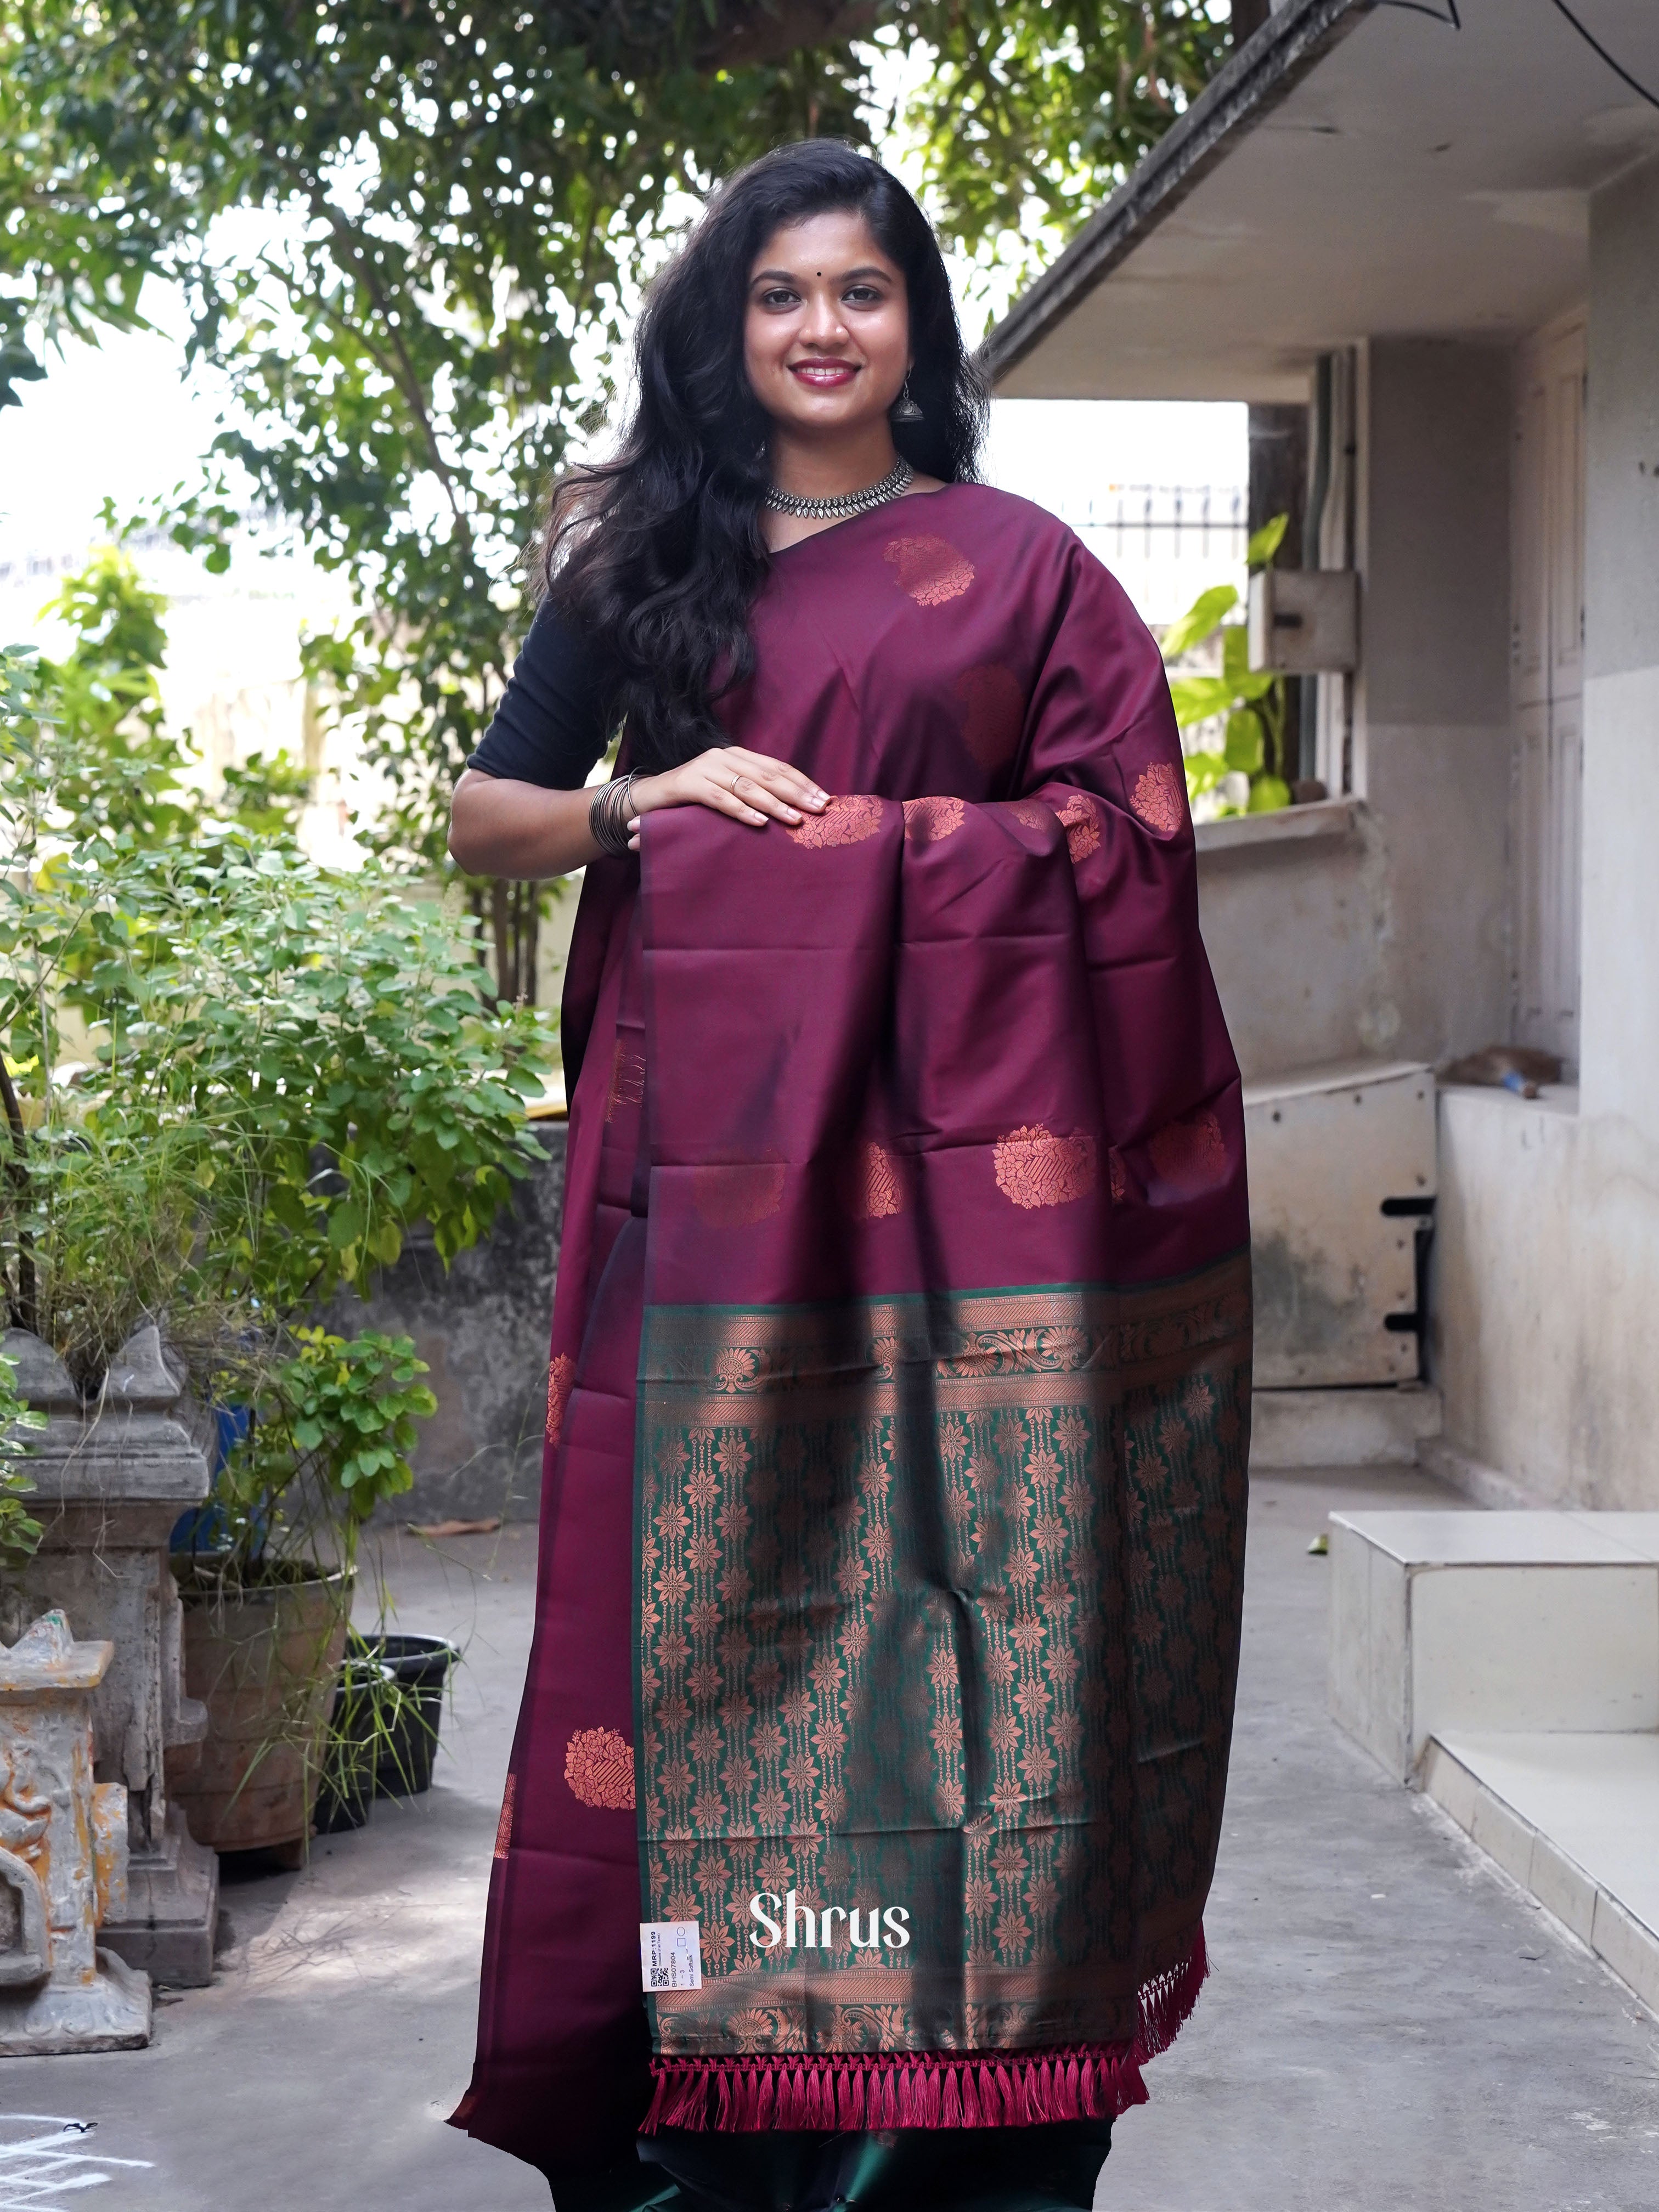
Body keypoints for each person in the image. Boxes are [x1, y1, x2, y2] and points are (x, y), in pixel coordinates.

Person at [448, 139, 1251, 2212]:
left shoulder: (1025, 570)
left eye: (862, 292)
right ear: (728, 328)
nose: (823, 328)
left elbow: (1130, 849)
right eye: (783, 292)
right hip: (706, 1202)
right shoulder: (643, 565)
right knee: (697, 1619)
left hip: (985, 1229)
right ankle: (704, 2108)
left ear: (919, 327)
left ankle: (972, 2111)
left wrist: (856, 859)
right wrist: (649, 805)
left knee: (984, 1614)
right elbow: (488, 815)